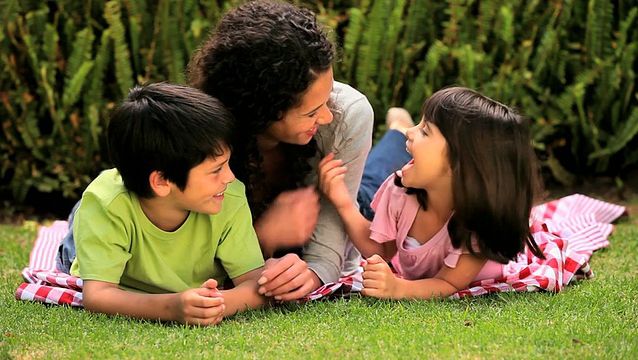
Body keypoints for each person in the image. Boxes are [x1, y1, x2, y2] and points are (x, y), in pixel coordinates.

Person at [187, 0, 374, 301]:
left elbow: (328, 253)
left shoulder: (346, 113)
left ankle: (397, 130)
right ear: (261, 110)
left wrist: (313, 274)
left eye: (327, 99)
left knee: (377, 184)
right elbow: (195, 261)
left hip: (344, 198)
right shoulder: (203, 133)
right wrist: (264, 237)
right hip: (266, 245)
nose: (326, 116)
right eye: (311, 112)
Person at [56, 83, 267, 325]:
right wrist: (172, 308)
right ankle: (79, 216)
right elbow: (98, 296)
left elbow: (255, 284)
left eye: (228, 163)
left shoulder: (228, 196)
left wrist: (215, 305)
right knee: (77, 235)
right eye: (216, 169)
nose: (230, 177)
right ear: (163, 181)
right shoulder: (107, 204)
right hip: (102, 222)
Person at [318, 86, 545, 300]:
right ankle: (396, 127)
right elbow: (382, 249)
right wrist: (344, 203)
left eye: (425, 131)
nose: (411, 132)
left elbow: (447, 283)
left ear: (461, 164)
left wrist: (398, 288)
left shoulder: (478, 223)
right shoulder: (400, 192)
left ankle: (395, 126)